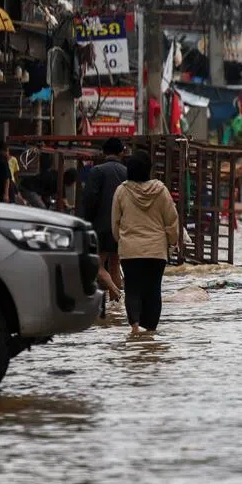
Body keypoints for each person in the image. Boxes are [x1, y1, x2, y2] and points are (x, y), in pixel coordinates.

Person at [112, 150, 179, 335]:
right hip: (156, 251)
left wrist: (122, 241)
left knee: (132, 288)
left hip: (130, 250)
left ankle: (134, 328)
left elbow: (115, 223)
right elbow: (172, 220)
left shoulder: (121, 191)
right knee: (153, 290)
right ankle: (150, 332)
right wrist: (172, 242)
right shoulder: (161, 191)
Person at [78, 137, 128, 304]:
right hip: (121, 227)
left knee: (95, 264)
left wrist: (85, 222)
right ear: (121, 152)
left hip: (100, 226)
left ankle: (115, 293)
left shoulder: (97, 171)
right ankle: (116, 307)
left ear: (103, 152)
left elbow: (89, 200)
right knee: (115, 265)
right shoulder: (126, 172)